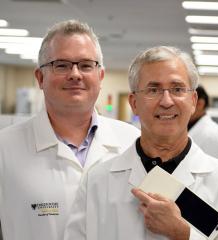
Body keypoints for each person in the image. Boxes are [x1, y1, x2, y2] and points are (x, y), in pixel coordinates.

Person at [64, 46, 218, 240]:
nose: (166, 101)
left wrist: (183, 234)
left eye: (177, 89)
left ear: (193, 100)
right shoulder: (97, 182)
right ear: (134, 103)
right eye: (153, 89)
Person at [0, 20, 140, 240]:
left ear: (100, 76)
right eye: (62, 65)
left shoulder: (134, 141)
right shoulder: (4, 149)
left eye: (86, 65)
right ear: (40, 78)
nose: (75, 74)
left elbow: (178, 214)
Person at [188, 85, 218, 164]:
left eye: (186, 102)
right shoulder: (193, 126)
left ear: (200, 104)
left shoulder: (211, 135)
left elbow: (214, 172)